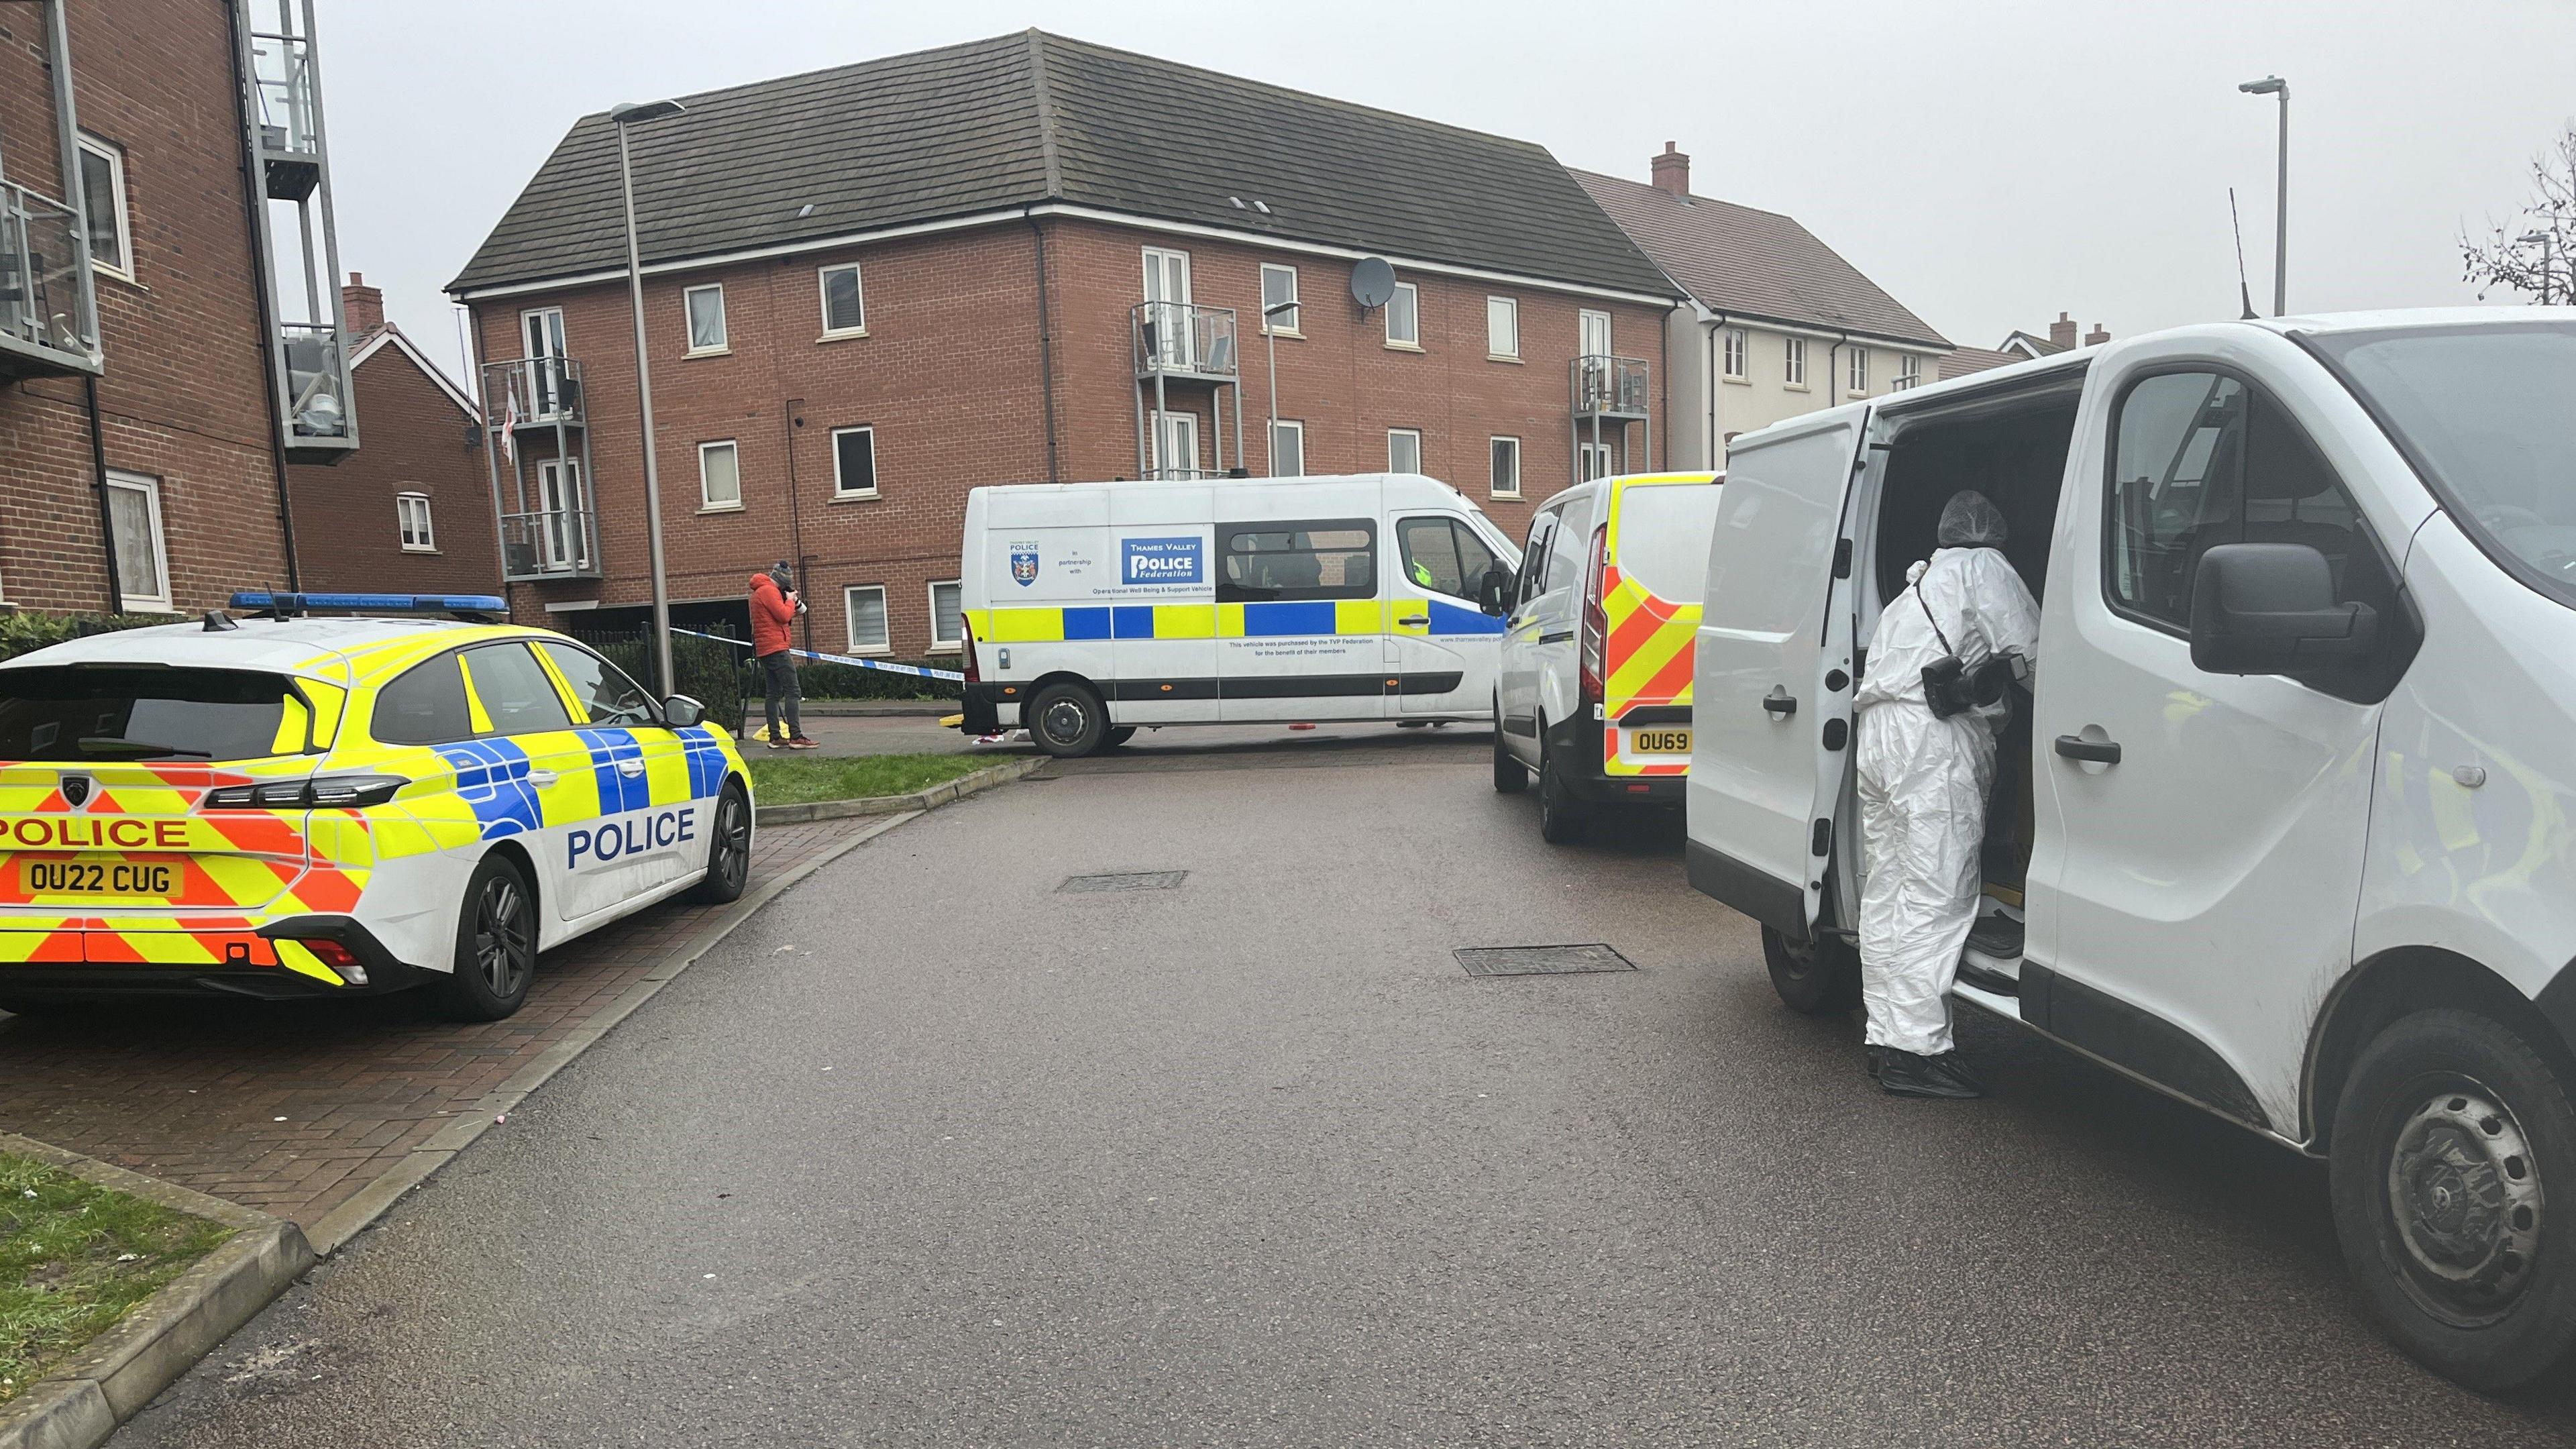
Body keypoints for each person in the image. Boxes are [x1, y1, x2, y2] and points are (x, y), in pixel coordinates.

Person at [1852, 491, 2039, 1099]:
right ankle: (1919, 1051)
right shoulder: (1983, 569)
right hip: (1931, 741)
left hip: (1879, 737)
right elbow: (2034, 650)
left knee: (1887, 892)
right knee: (1937, 893)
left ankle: (1885, 1037)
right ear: (1991, 534)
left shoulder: (1917, 586)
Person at [750, 561, 816, 751]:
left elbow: (777, 616)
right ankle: (796, 737)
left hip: (765, 648)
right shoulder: (769, 591)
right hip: (776, 648)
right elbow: (783, 616)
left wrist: (790, 603)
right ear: (782, 580)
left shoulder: (758, 592)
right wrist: (789, 600)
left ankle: (775, 737)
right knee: (793, 691)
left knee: (773, 694)